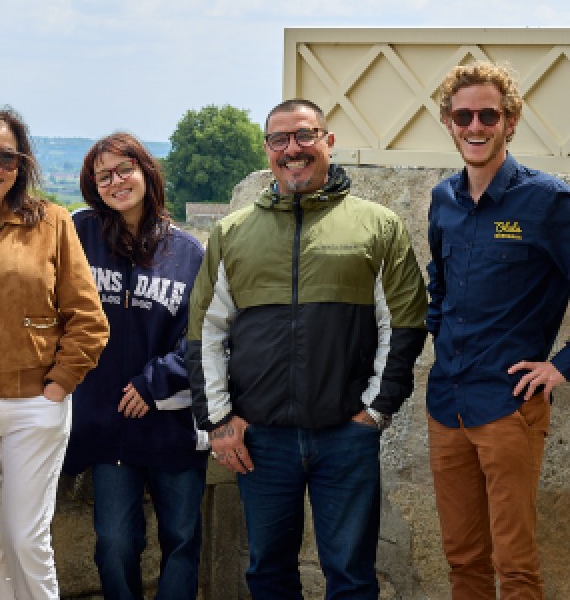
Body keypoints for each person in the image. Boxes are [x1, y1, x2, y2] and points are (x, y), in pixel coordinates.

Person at [185, 98, 428, 599]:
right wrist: (219, 422)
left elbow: (403, 325)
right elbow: (204, 333)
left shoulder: (377, 226)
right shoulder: (233, 234)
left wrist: (375, 413)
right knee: (268, 574)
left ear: (328, 142)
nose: (292, 149)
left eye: (305, 136)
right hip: (261, 439)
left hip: (346, 436)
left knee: (352, 576)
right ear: (269, 150)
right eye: (280, 140)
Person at [0, 108, 109, 600]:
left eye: (7, 156)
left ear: (21, 163)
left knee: (26, 538)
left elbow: (89, 319)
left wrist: (57, 386)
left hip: (38, 404)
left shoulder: (50, 222)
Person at [424, 60, 570, 599]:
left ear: (511, 120)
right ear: (448, 122)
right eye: (464, 115)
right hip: (447, 405)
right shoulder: (443, 199)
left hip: (510, 406)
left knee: (516, 564)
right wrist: (440, 338)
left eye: (489, 114)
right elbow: (438, 285)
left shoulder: (548, 201)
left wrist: (560, 365)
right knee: (462, 560)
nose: (475, 126)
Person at [65, 133, 208, 600]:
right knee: (114, 543)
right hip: (108, 426)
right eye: (103, 175)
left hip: (172, 422)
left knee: (183, 539)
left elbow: (204, 336)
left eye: (125, 168)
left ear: (146, 171)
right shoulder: (78, 236)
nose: (116, 181)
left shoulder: (188, 253)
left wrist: (153, 384)